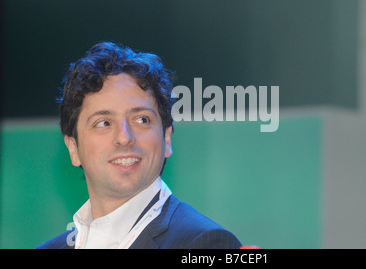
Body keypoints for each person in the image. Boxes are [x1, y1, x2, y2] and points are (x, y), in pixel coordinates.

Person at [37, 41, 241, 249]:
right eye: (103, 123)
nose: (124, 137)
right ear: (73, 148)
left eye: (142, 119)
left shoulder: (207, 244)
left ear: (167, 139)